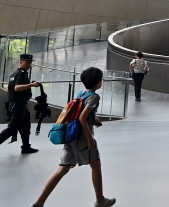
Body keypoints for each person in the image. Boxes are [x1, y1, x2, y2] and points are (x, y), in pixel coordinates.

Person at [30, 67, 115, 207]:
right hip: (82, 138)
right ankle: (100, 201)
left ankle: (38, 203)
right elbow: (82, 118)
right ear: (99, 83)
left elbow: (78, 113)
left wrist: (94, 119)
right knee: (96, 165)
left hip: (71, 135)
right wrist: (90, 139)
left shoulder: (81, 93)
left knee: (62, 169)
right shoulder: (94, 97)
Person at [0, 54, 41, 159]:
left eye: (30, 62)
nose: (29, 64)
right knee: (12, 128)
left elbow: (8, 90)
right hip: (18, 105)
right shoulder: (22, 74)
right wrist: (31, 85)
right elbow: (17, 88)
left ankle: (26, 147)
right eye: (27, 62)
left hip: (18, 104)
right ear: (21, 62)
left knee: (25, 126)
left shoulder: (14, 74)